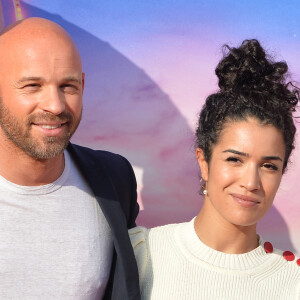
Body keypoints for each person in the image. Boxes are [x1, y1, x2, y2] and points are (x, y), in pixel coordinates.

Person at [130, 39, 300, 299]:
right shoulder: (142, 253)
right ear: (204, 162)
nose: (251, 181)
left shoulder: (293, 281)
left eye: (268, 166)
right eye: (234, 159)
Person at [0, 17, 140, 300]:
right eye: (32, 86)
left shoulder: (114, 178)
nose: (55, 105)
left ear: (83, 85)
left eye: (67, 86)